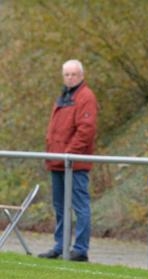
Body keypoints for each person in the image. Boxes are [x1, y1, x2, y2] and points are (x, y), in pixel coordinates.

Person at [39, 59, 97, 262]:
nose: (70, 78)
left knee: (80, 206)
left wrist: (68, 155)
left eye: (73, 74)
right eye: (67, 74)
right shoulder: (64, 97)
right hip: (57, 162)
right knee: (61, 207)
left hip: (74, 163)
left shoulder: (85, 97)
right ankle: (60, 245)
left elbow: (85, 131)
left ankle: (80, 248)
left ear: (81, 75)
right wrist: (53, 154)